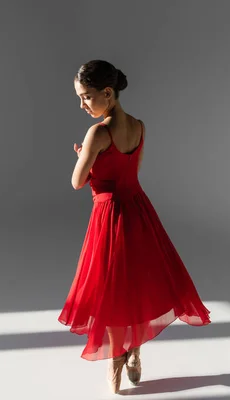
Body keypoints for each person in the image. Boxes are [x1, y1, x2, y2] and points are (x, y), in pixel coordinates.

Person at [58, 60, 211, 394]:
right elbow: (133, 172)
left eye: (86, 97)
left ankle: (115, 370)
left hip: (110, 215)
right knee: (136, 284)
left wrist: (84, 155)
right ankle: (135, 353)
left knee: (112, 290)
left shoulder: (98, 132)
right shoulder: (139, 126)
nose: (83, 105)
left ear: (108, 93)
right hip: (139, 211)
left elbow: (77, 181)